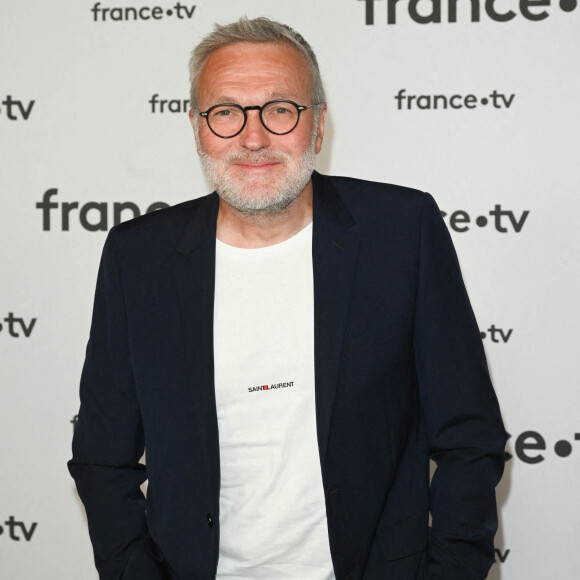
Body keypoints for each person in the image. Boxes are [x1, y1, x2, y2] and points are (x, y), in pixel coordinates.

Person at [68, 16, 506, 580]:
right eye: (226, 112)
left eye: (280, 109)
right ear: (198, 129)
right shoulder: (139, 258)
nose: (253, 138)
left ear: (318, 125)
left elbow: (469, 437)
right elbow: (103, 457)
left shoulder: (402, 232)